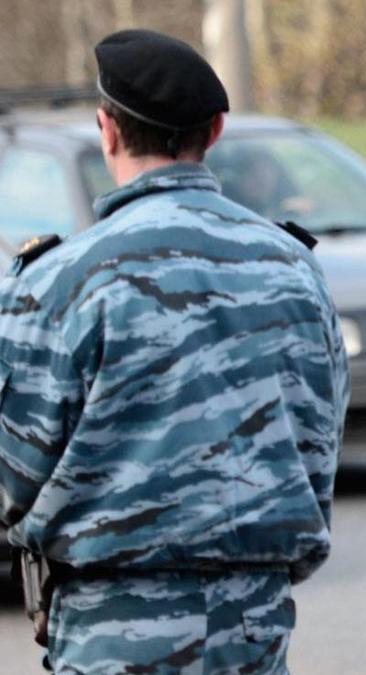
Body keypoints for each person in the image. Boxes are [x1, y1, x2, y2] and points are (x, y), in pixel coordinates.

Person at [0, 29, 348, 674]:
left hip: (113, 626)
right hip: (255, 624)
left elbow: (14, 466)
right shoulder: (294, 269)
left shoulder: (60, 280)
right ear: (215, 132)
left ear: (107, 130)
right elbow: (317, 444)